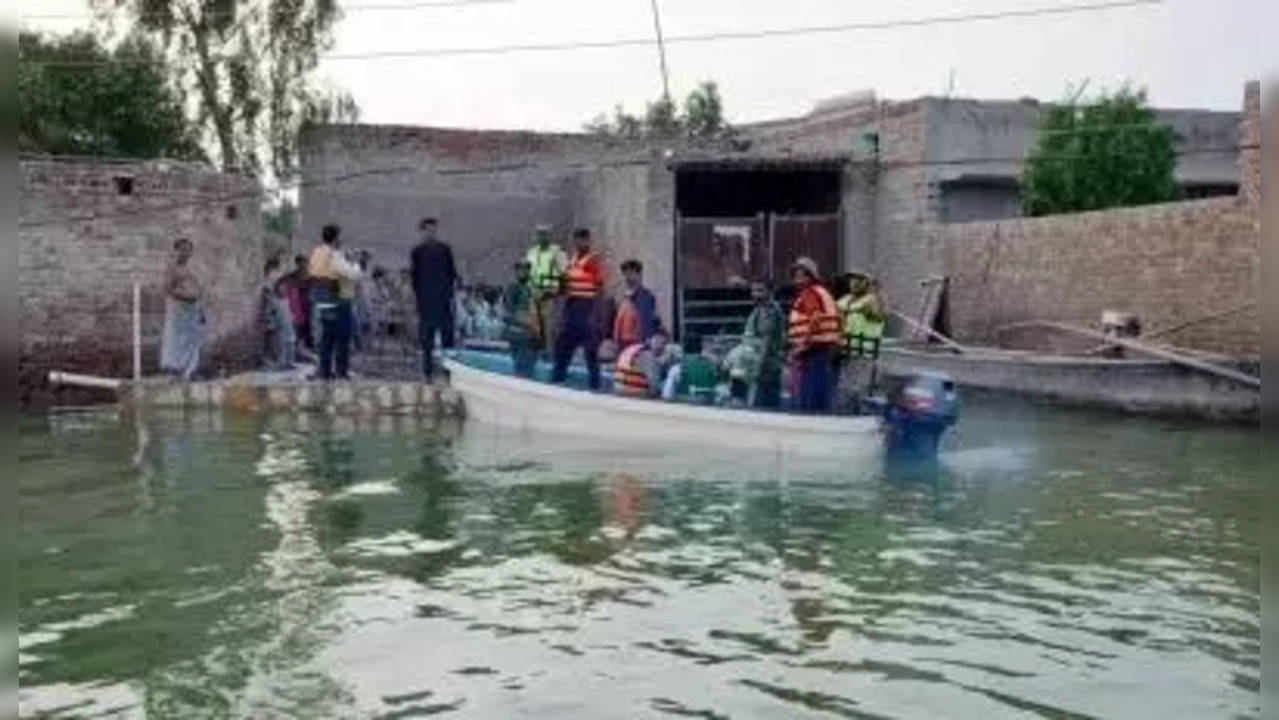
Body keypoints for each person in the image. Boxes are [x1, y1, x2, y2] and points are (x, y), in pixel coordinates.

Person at [552, 228, 606, 390]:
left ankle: (595, 388)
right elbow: (565, 288)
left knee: (590, 354)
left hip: (586, 309)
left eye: (583, 240)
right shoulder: (573, 260)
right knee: (562, 349)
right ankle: (557, 383)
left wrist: (595, 315)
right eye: (577, 240)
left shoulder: (592, 261)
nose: (579, 243)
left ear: (588, 241)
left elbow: (599, 289)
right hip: (572, 309)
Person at [788, 256, 842, 412]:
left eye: (802, 276)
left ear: (811, 276)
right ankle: (821, 415)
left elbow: (816, 316)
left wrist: (803, 344)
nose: (797, 280)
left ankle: (813, 419)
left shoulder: (810, 293)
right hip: (821, 346)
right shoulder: (822, 292)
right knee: (821, 387)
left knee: (811, 390)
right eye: (795, 276)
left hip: (813, 347)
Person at [309, 224, 362, 380]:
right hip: (335, 299)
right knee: (343, 336)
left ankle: (325, 372)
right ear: (336, 237)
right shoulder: (334, 255)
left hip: (320, 298)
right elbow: (352, 275)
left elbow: (315, 271)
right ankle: (341, 371)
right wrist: (356, 262)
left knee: (327, 337)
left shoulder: (316, 252)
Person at [410, 216, 458, 380]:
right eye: (428, 229)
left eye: (434, 229)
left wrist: (450, 297)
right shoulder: (417, 252)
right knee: (427, 341)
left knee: (447, 339)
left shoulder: (445, 249)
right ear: (423, 231)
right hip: (425, 302)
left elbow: (452, 274)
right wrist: (418, 300)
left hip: (443, 301)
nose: (432, 232)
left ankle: (448, 372)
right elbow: (414, 278)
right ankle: (427, 373)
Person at [160, 238, 204, 380]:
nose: (185, 253)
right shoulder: (172, 268)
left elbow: (198, 290)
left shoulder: (191, 269)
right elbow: (167, 289)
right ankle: (175, 370)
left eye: (188, 250)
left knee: (192, 339)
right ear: (176, 251)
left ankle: (189, 370)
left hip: (193, 309)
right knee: (177, 340)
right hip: (179, 309)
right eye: (182, 249)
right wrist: (184, 296)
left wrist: (200, 308)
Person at [743, 280, 786, 409]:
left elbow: (765, 342)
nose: (755, 294)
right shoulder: (759, 310)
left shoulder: (769, 311)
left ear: (769, 292)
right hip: (760, 368)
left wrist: (756, 371)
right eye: (753, 290)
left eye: (760, 290)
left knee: (764, 410)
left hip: (766, 370)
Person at [526, 224, 567, 353]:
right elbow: (528, 273)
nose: (541, 236)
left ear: (549, 235)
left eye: (544, 234)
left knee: (550, 329)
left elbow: (564, 273)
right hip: (534, 295)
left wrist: (553, 291)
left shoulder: (557, 252)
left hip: (550, 296)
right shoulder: (532, 252)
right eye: (539, 234)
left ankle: (550, 356)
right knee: (534, 329)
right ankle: (536, 356)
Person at [259, 257, 296, 370]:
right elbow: (268, 295)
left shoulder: (282, 297)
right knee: (280, 338)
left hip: (281, 310)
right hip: (276, 311)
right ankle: (281, 362)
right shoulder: (271, 282)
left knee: (287, 337)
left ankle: (287, 362)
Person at [502, 260, 538, 377]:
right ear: (516, 271)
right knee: (522, 368)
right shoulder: (513, 287)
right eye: (521, 269)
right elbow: (507, 314)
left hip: (528, 335)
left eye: (527, 269)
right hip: (519, 334)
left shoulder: (528, 288)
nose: (525, 272)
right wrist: (526, 323)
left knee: (528, 367)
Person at [613, 259, 659, 349]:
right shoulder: (620, 297)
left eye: (631, 273)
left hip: (640, 344)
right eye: (625, 274)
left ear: (639, 275)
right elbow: (617, 322)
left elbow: (647, 322)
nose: (628, 277)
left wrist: (647, 341)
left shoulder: (647, 297)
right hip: (623, 344)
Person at [662, 334, 721, 404]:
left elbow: (667, 396)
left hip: (684, 410)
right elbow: (719, 393)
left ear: (684, 348)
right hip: (708, 410)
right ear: (701, 348)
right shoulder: (711, 367)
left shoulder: (677, 369)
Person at [614, 329, 670, 398]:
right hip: (635, 391)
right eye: (663, 343)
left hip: (619, 389)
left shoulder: (634, 349)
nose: (663, 348)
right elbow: (653, 382)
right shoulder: (647, 355)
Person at [279, 254, 313, 355]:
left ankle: (306, 346)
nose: (304, 265)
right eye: (302, 262)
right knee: (298, 324)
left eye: (305, 262)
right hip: (297, 302)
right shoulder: (293, 275)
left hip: (308, 302)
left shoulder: (309, 275)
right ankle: (299, 347)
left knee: (308, 324)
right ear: (297, 263)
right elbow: (281, 281)